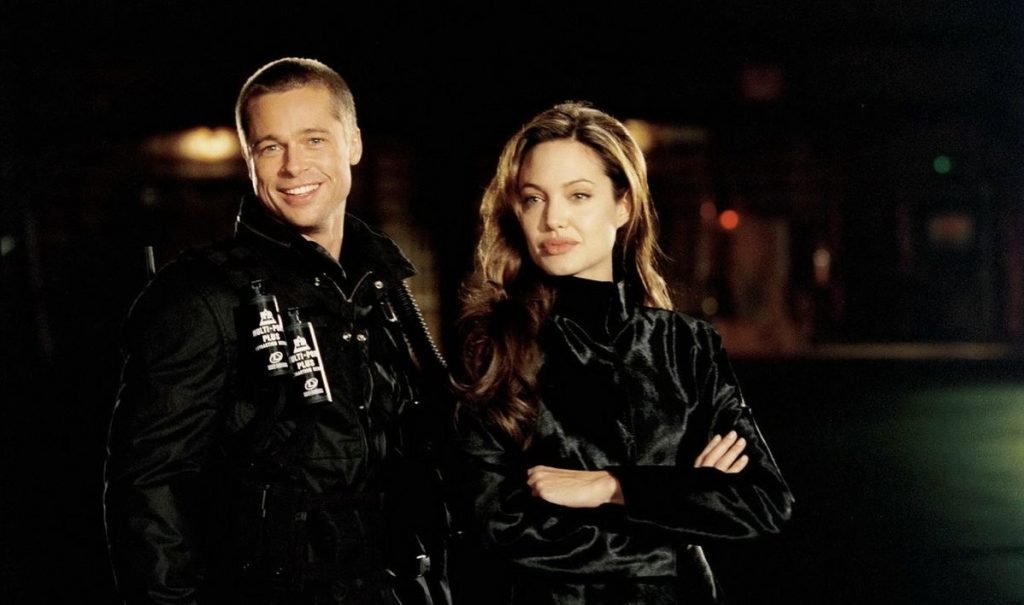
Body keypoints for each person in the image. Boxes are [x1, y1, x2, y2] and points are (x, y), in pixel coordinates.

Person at [103, 57, 453, 605]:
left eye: (314, 140)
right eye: (271, 147)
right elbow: (150, 490)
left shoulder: (381, 283)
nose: (293, 166)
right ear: (250, 161)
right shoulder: (201, 296)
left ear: (353, 144)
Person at [450, 101, 794, 604]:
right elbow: (498, 529)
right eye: (533, 198)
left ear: (624, 205)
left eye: (579, 195)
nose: (553, 219)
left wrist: (611, 487)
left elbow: (763, 501)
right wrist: (681, 508)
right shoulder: (493, 348)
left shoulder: (687, 346)